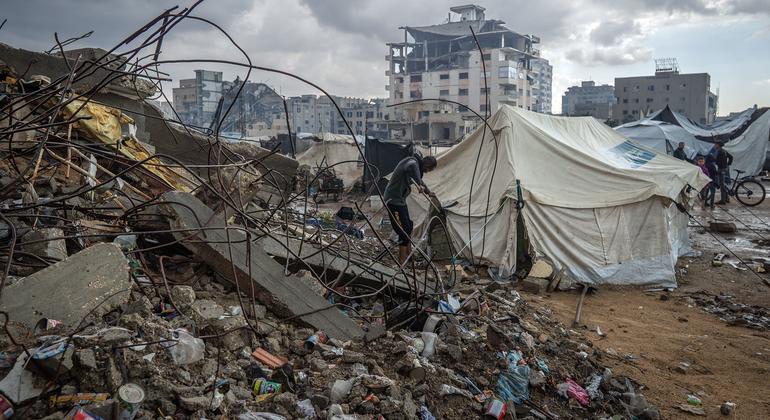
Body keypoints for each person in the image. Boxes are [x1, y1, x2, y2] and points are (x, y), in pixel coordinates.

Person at [383, 153, 438, 264]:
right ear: (426, 164)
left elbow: (420, 180)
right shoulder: (412, 162)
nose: (427, 172)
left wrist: (427, 191)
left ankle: (409, 256)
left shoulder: (415, 167)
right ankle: (401, 263)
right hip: (393, 201)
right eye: (428, 169)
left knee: (409, 226)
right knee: (403, 232)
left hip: (400, 201)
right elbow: (412, 167)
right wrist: (419, 184)